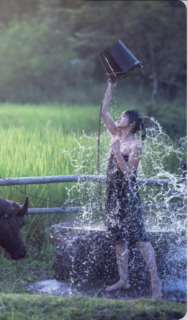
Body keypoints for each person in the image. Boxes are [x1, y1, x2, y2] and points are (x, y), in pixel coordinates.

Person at [100, 80, 162, 299]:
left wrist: (117, 153)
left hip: (128, 195)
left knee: (140, 238)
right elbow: (104, 111)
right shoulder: (116, 135)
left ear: (133, 123)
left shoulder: (136, 145)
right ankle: (123, 279)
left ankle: (156, 283)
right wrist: (111, 85)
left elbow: (129, 174)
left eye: (124, 116)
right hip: (112, 194)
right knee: (118, 238)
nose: (119, 118)